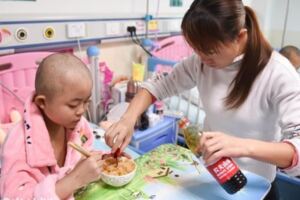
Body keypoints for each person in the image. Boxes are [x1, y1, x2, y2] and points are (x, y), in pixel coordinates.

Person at [105, 0, 300, 199]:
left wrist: (242, 146)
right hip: (211, 176)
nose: (201, 58)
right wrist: (127, 119)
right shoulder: (200, 62)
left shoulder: (278, 74)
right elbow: (158, 86)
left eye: (210, 51)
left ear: (240, 37)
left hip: (255, 187)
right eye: (196, 50)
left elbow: (297, 150)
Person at [0, 53, 103, 199]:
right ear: (42, 102)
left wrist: (104, 160)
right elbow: (14, 196)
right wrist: (74, 179)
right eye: (73, 105)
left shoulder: (77, 125)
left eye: (86, 102)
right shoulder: (18, 145)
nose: (81, 111)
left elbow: (86, 151)